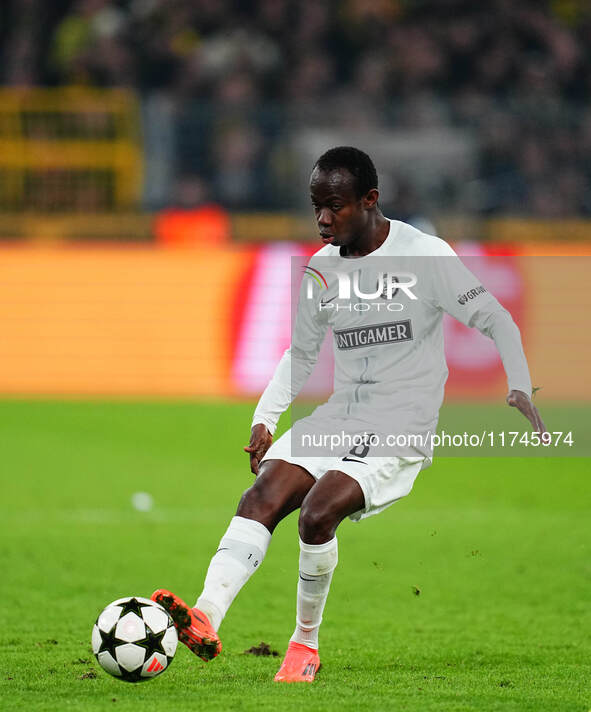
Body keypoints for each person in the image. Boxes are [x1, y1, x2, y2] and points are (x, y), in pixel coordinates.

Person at [152, 146, 546, 683]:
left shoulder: (422, 255)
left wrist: (519, 383)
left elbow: (496, 318)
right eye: (316, 206)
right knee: (262, 495)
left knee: (317, 514)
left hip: (401, 424)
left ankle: (303, 645)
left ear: (369, 200)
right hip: (341, 414)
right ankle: (206, 615)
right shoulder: (321, 270)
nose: (322, 219)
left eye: (334, 206)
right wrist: (266, 417)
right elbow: (302, 353)